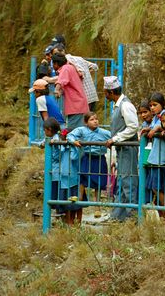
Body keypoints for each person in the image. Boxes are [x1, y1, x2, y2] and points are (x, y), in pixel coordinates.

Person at [104, 76, 139, 222]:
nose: (104, 94)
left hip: (127, 148)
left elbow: (133, 126)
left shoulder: (125, 106)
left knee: (128, 180)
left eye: (105, 91)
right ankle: (119, 215)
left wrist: (116, 138)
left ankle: (133, 216)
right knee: (122, 180)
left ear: (111, 92)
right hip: (122, 148)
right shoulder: (118, 106)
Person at [66, 111, 111, 218]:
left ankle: (97, 207)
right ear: (86, 122)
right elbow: (70, 135)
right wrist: (74, 141)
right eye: (92, 119)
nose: (95, 121)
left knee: (99, 182)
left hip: (99, 159)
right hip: (87, 158)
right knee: (82, 178)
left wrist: (111, 141)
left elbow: (113, 137)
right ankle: (79, 200)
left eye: (96, 119)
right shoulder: (82, 130)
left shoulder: (104, 132)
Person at [47, 44, 99, 112]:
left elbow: (79, 73)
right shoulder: (79, 58)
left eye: (56, 54)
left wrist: (50, 80)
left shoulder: (67, 61)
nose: (55, 56)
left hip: (82, 97)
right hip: (92, 94)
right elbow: (95, 67)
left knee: (84, 120)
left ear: (63, 51)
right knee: (90, 119)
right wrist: (87, 71)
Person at [52, 53, 88, 130]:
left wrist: (56, 90)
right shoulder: (70, 67)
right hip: (78, 104)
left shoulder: (65, 68)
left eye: (53, 64)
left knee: (73, 131)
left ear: (56, 63)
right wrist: (60, 92)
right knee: (79, 130)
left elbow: (61, 81)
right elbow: (67, 84)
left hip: (76, 105)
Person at [43, 118, 66, 220]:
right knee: (53, 194)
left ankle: (60, 216)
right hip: (52, 170)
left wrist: (55, 143)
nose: (44, 132)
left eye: (45, 130)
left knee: (57, 194)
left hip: (58, 171)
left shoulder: (57, 138)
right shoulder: (49, 138)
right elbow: (42, 143)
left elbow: (62, 149)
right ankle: (57, 216)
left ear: (50, 129)